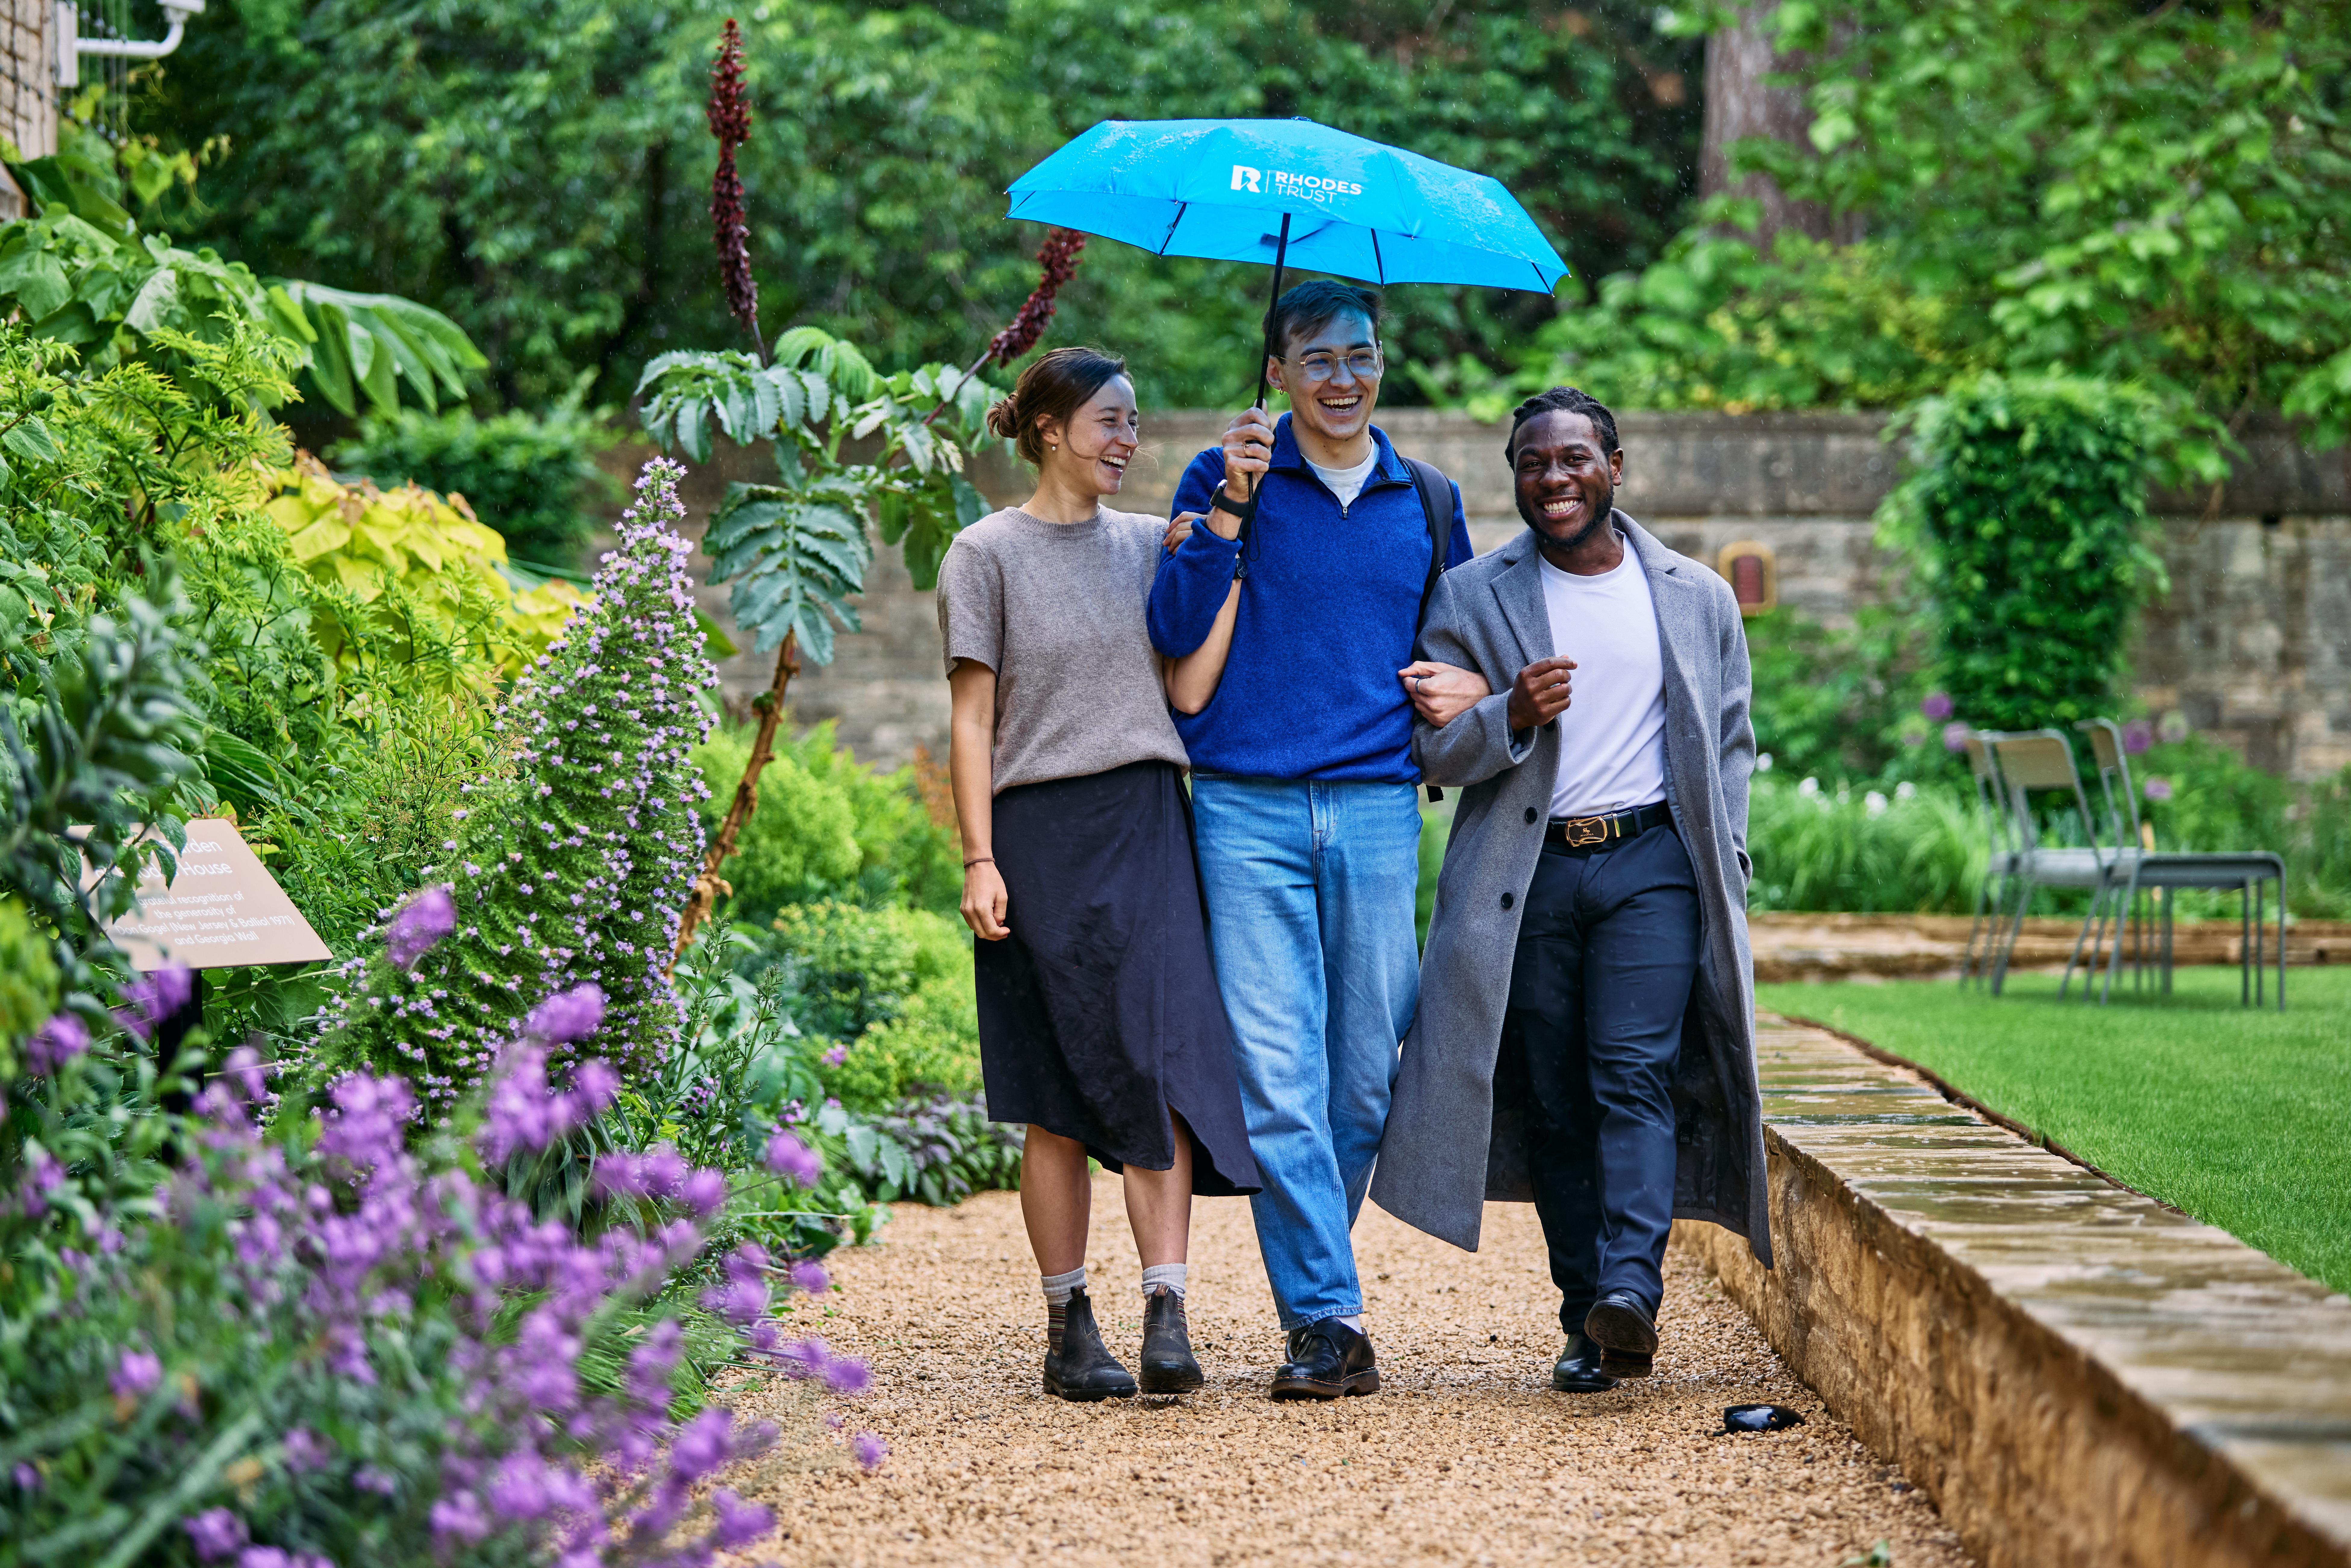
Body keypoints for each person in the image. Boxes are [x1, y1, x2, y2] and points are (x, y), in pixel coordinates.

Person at [1369, 385, 1772, 1393]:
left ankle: (1630, 1291)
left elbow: (1730, 742)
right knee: (1553, 1100)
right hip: (1529, 872)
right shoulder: (1474, 595)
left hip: (1652, 868)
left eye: (1573, 459)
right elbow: (1435, 748)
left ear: (1614, 467)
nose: (1554, 479)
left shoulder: (1692, 593)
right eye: (1534, 463)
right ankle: (1584, 1313)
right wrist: (1512, 710)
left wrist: (1727, 854)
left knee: (1631, 1073)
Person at [1148, 280, 1483, 1401]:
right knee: (1276, 1076)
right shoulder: (1222, 476)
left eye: (1363, 357)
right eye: (1320, 360)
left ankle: (1314, 1288)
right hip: (1244, 808)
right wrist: (1231, 510)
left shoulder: (1426, 500)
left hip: (1383, 810)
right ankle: (1327, 1320)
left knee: (1361, 1088)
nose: (1345, 379)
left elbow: (1471, 638)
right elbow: (1175, 636)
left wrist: (1475, 682)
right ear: (1280, 372)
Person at [936, 346, 1261, 1403]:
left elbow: (1190, 689)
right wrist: (980, 857)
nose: (1130, 441)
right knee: (1056, 1093)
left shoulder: (1149, 545)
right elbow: (973, 717)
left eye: (1133, 423)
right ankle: (1069, 1323)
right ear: (1049, 429)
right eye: (1111, 423)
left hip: (1145, 822)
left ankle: (1167, 1311)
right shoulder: (983, 554)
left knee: (1159, 1067)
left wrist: (1220, 559)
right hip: (1035, 833)